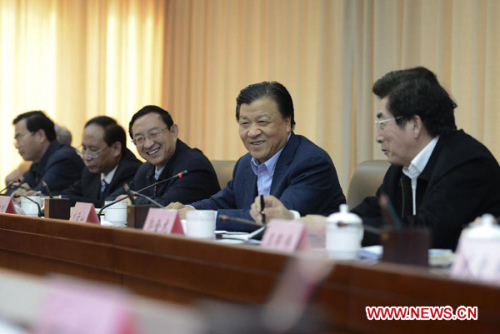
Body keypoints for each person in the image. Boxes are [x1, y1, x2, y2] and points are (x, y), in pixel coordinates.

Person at [250, 67, 500, 250]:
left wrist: (332, 229)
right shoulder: (402, 167)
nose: (378, 136)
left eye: (382, 122)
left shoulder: (467, 163)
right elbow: (372, 211)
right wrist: (297, 220)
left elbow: (426, 232)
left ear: (414, 124)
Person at [168, 81, 345, 231]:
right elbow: (222, 202)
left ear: (287, 122)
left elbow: (273, 218)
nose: (252, 132)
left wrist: (201, 217)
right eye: (245, 123)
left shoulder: (311, 162)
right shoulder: (245, 164)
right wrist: (187, 209)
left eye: (262, 122)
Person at [108, 105, 220, 206]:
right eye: (140, 139)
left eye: (154, 134)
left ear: (173, 132)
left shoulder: (193, 165)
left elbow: (165, 207)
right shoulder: (145, 169)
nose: (148, 144)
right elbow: (113, 199)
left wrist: (131, 201)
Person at [58, 116, 142, 206]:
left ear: (116, 148)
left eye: (93, 150)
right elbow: (69, 194)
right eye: (84, 148)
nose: (86, 157)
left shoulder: (132, 171)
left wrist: (68, 200)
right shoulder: (90, 172)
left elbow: (110, 204)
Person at [9, 111, 84, 196]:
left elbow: (36, 195)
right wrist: (16, 192)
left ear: (41, 136)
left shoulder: (63, 158)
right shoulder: (36, 163)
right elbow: (19, 190)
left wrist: (21, 194)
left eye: (19, 137)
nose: (17, 145)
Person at [5, 123, 73, 187]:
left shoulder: (62, 159)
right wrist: (15, 185)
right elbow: (20, 189)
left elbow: (38, 192)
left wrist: (21, 188)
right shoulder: (35, 164)